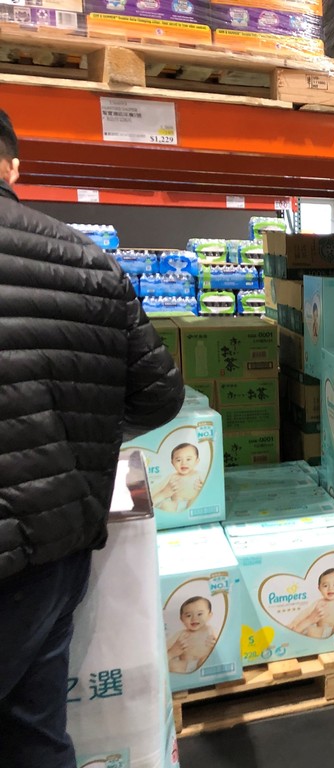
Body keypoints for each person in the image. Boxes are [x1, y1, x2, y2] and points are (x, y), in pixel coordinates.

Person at [0, 109, 184, 768]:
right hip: (55, 544)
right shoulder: (86, 259)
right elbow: (160, 394)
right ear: (13, 165)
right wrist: (74, 433)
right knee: (35, 728)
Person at [291, 568, 334, 638]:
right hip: (321, 631)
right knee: (310, 629)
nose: (330, 588)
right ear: (319, 588)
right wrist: (294, 623)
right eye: (325, 585)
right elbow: (304, 614)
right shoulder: (319, 602)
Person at [166, 596, 218, 674]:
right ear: (181, 619)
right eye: (188, 615)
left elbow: (222, 645)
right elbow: (163, 649)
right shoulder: (181, 634)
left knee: (206, 659)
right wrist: (172, 651)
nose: (194, 619)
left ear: (209, 615)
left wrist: (215, 644)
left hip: (204, 664)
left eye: (199, 614)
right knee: (170, 665)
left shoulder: (210, 630)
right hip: (185, 666)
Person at [151, 442, 204, 512]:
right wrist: (163, 492)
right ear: (172, 463)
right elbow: (156, 489)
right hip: (175, 506)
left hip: (191, 506)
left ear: (196, 461)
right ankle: (170, 518)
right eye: (178, 460)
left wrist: (203, 488)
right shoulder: (172, 476)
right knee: (166, 504)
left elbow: (210, 487)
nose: (183, 463)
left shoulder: (199, 475)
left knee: (195, 501)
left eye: (188, 459)